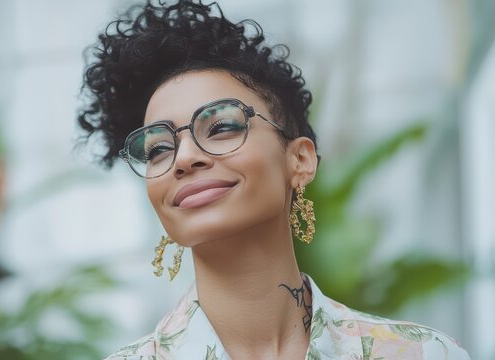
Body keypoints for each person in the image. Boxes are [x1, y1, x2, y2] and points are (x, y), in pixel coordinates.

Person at [77, 1, 471, 359]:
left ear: (300, 159)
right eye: (158, 149)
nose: (185, 157)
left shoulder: (424, 353)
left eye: (222, 127)